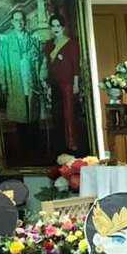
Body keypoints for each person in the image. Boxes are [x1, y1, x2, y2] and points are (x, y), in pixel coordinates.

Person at [0, 9, 45, 136]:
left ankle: (36, 145)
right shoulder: (7, 41)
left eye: (21, 20)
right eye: (16, 20)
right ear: (12, 22)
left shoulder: (32, 38)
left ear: (25, 21)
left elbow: (40, 59)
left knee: (33, 117)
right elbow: (1, 62)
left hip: (30, 81)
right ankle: (24, 145)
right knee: (20, 117)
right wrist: (3, 82)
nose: (19, 22)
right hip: (15, 82)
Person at [43, 14, 81, 155]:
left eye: (58, 25)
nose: (56, 28)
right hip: (54, 83)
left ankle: (71, 143)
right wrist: (48, 85)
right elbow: (48, 66)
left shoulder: (71, 44)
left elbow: (76, 66)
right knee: (57, 115)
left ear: (63, 27)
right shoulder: (49, 45)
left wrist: (76, 84)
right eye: (53, 26)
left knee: (68, 114)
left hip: (68, 83)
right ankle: (60, 145)